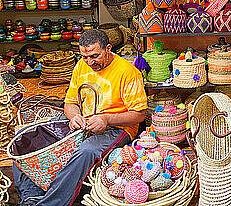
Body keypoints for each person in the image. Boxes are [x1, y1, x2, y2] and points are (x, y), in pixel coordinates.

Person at [13, 29, 147, 206]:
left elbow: (139, 114)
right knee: (26, 139)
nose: (90, 62)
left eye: (95, 56)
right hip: (85, 124)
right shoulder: (81, 66)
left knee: (87, 150)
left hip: (118, 128)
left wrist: (106, 120)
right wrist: (74, 116)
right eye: (85, 57)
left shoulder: (127, 72)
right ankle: (30, 198)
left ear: (108, 48)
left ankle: (49, 204)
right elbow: (70, 103)